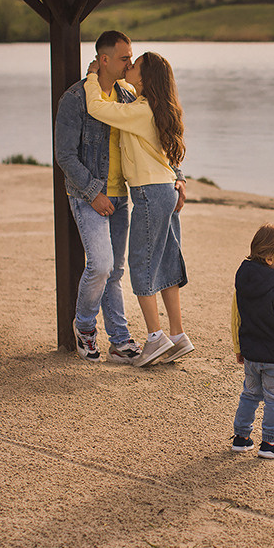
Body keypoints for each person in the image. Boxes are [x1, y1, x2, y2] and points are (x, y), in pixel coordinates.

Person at [84, 51, 193, 367]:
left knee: (142, 265)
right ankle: (177, 335)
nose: (128, 67)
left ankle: (155, 337)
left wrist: (92, 76)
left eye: (134, 66)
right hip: (166, 190)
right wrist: (180, 178)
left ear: (145, 79)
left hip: (149, 193)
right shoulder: (155, 106)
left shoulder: (140, 111)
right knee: (166, 263)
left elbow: (97, 107)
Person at [54, 30, 142, 364]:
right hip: (88, 195)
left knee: (116, 271)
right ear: (104, 60)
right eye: (124, 58)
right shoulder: (75, 99)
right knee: (101, 265)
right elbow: (65, 155)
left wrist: (176, 176)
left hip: (121, 197)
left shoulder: (128, 95)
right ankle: (85, 326)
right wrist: (93, 193)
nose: (129, 63)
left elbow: (151, 133)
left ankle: (119, 341)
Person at [230, 223, 274, 459]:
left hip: (251, 355)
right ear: (270, 259)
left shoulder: (242, 281)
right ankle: (269, 443)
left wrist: (239, 347)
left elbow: (236, 317)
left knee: (249, 395)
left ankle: (241, 438)